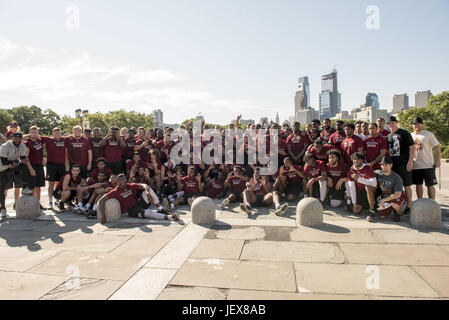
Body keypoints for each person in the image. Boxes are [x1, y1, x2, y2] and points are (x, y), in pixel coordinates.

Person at [98, 173, 179, 224]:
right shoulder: (115, 191)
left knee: (149, 189)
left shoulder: (129, 185)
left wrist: (147, 193)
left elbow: (144, 185)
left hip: (138, 204)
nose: (124, 181)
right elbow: (101, 200)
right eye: (121, 180)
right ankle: (170, 217)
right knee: (150, 213)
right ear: (118, 182)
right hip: (131, 211)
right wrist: (103, 215)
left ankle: (161, 209)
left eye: (124, 179)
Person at [387, 116, 415, 216]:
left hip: (404, 164)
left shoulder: (404, 133)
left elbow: (412, 148)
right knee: (395, 187)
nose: (391, 124)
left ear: (397, 123)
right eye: (389, 123)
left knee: (407, 186)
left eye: (393, 122)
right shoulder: (389, 136)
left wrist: (410, 161)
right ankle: (396, 206)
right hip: (393, 166)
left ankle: (409, 206)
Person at [410, 117, 441, 200]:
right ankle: (420, 201)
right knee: (418, 185)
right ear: (412, 125)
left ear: (422, 124)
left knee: (430, 185)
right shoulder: (410, 136)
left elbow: (437, 147)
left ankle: (432, 202)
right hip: (416, 165)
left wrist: (438, 160)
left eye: (419, 123)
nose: (417, 125)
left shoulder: (428, 134)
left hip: (428, 165)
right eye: (415, 124)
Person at [369, 156, 406, 223]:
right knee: (382, 216)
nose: (384, 167)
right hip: (385, 196)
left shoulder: (396, 177)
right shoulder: (377, 173)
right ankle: (390, 208)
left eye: (386, 165)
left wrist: (385, 200)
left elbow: (398, 194)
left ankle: (398, 213)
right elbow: (367, 172)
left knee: (394, 202)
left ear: (391, 165)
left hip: (396, 197)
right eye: (382, 165)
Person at [0, 132, 28, 218]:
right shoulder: (5, 146)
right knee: (3, 188)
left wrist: (16, 162)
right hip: (3, 168)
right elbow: (4, 161)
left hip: (14, 166)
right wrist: (13, 163)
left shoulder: (22, 146)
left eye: (19, 138)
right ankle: (3, 207)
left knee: (18, 184)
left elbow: (23, 159)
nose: (18, 140)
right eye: (16, 138)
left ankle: (18, 204)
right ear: (12, 138)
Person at [40, 127, 67, 208]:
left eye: (59, 133)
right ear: (52, 134)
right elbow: (35, 136)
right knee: (51, 183)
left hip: (61, 165)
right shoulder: (48, 140)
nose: (57, 135)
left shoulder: (64, 139)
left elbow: (76, 135)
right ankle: (50, 201)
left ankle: (57, 199)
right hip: (51, 165)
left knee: (58, 184)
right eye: (55, 133)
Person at [346, 152, 377, 217]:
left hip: (370, 190)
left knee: (367, 187)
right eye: (354, 159)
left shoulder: (367, 168)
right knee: (356, 211)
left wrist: (359, 179)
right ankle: (352, 204)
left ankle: (372, 211)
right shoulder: (351, 170)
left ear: (362, 160)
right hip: (360, 191)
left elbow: (374, 183)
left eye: (358, 159)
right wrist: (354, 203)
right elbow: (352, 187)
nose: (356, 161)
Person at [24, 126, 46, 209]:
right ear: (29, 133)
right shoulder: (27, 143)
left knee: (38, 186)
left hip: (39, 165)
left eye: (36, 132)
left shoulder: (40, 140)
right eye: (32, 132)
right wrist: (30, 169)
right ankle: (31, 203)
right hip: (32, 166)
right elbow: (26, 158)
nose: (34, 133)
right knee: (32, 186)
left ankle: (38, 203)